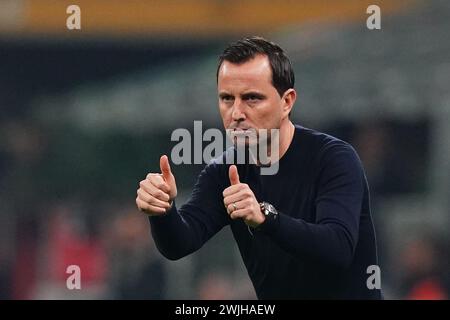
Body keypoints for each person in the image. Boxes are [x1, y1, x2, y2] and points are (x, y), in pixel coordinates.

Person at [136, 36, 382, 299]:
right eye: (227, 98)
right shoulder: (224, 172)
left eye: (252, 98)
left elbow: (338, 248)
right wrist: (163, 210)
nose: (236, 113)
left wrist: (266, 218)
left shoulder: (333, 159)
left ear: (287, 102)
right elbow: (180, 243)